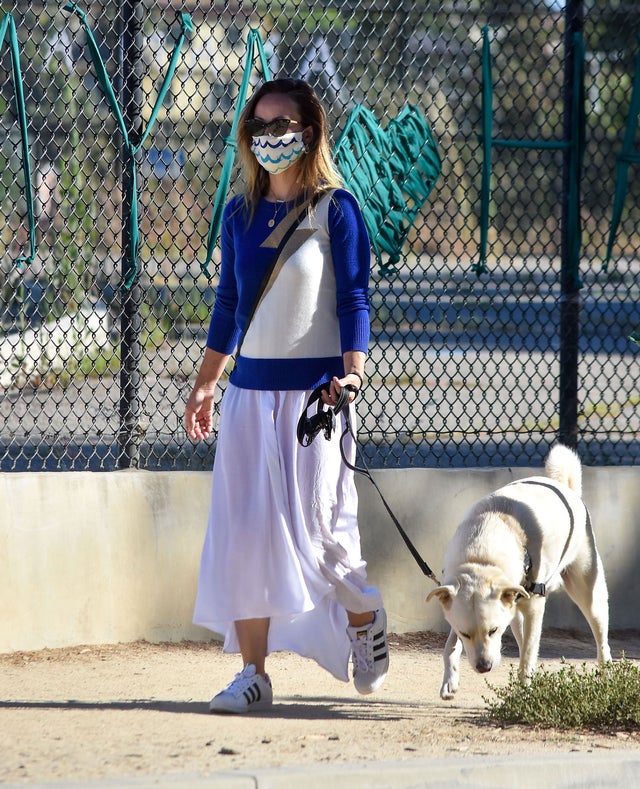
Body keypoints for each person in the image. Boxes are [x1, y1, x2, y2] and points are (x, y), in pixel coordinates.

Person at [185, 77, 388, 714]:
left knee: (325, 535)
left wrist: (351, 375)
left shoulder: (337, 209)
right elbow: (228, 305)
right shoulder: (238, 214)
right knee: (245, 534)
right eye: (261, 125)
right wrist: (206, 382)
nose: (272, 136)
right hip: (249, 401)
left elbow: (354, 300)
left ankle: (364, 620)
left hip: (315, 401)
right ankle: (253, 674)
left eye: (284, 124)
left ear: (309, 129)